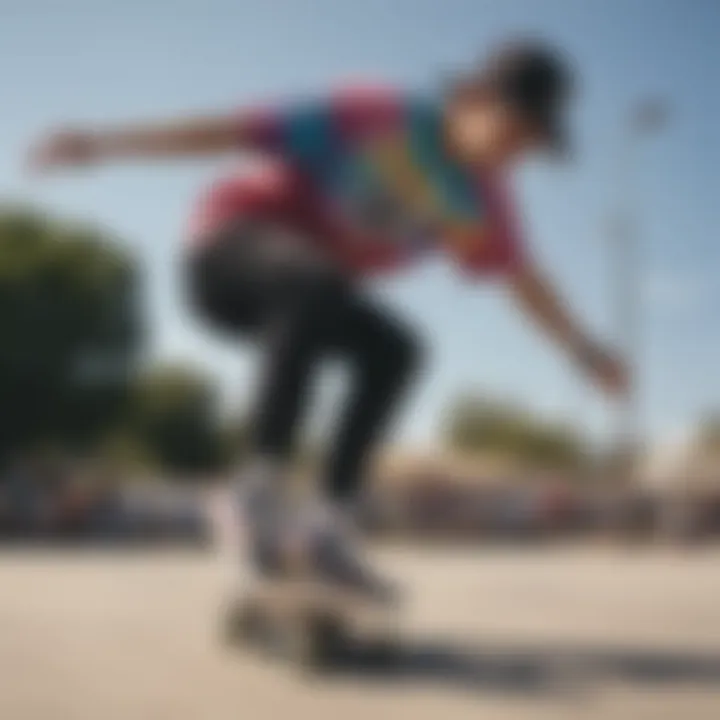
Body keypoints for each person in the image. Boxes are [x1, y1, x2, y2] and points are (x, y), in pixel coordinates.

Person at [27, 40, 627, 597]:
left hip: (306, 305)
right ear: (472, 97)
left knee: (398, 349)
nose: (515, 153)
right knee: (313, 280)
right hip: (226, 256)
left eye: (532, 144)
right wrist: (104, 144)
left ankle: (325, 529)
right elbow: (231, 129)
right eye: (513, 130)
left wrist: (587, 351)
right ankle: (255, 491)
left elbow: (522, 280)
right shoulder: (373, 113)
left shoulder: (481, 200)